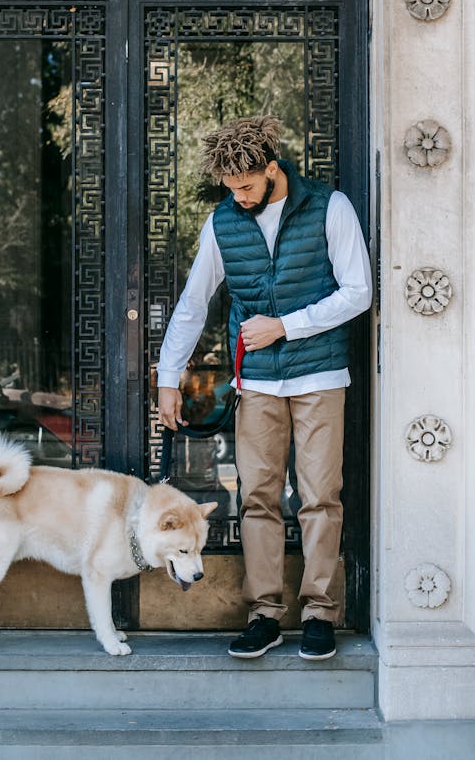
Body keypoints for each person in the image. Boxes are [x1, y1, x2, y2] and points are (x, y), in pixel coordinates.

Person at [156, 115, 372, 661]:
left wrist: (285, 325)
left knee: (320, 498)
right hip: (256, 383)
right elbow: (192, 304)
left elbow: (359, 292)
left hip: (320, 377)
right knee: (258, 499)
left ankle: (319, 612)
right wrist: (167, 378)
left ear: (272, 168)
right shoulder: (223, 221)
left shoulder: (330, 206)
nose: (239, 197)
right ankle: (264, 615)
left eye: (247, 186)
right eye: (230, 189)